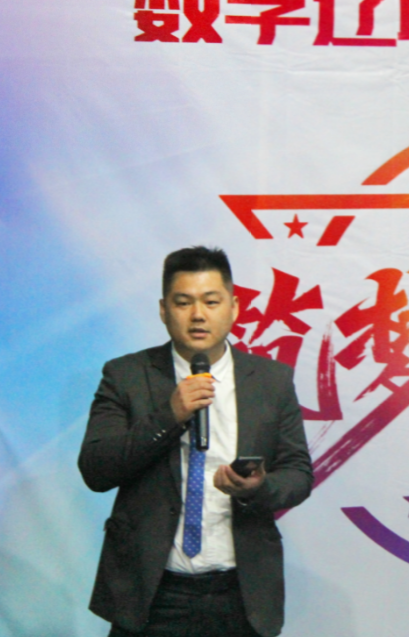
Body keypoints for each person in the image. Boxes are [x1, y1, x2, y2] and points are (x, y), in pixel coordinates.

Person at [79, 246, 313, 637]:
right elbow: (96, 470)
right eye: (183, 302)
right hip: (152, 593)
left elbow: (298, 473)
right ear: (163, 310)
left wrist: (258, 488)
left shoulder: (271, 380)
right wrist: (168, 416)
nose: (198, 314)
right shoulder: (126, 375)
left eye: (211, 301)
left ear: (234, 308)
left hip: (240, 593)